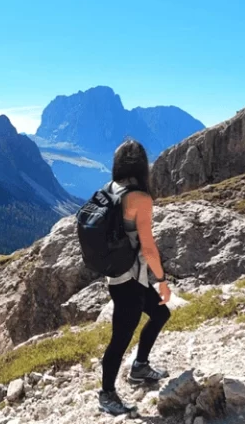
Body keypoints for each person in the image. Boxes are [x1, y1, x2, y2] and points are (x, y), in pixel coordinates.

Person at [98, 138, 172, 416]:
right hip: (129, 280)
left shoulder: (110, 189)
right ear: (143, 167)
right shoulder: (140, 198)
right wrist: (162, 280)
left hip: (121, 276)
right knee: (119, 339)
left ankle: (140, 367)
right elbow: (149, 246)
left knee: (161, 315)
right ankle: (106, 394)